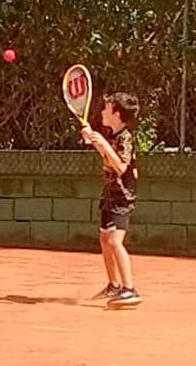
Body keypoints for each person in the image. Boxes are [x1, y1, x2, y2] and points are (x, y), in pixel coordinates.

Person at [82, 92, 141, 307]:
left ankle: (129, 289)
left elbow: (120, 167)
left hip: (122, 197)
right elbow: (107, 158)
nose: (102, 111)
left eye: (107, 108)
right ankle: (114, 285)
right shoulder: (113, 135)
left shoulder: (125, 137)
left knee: (115, 241)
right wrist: (95, 141)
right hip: (109, 194)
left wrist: (104, 145)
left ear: (116, 113)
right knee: (105, 239)